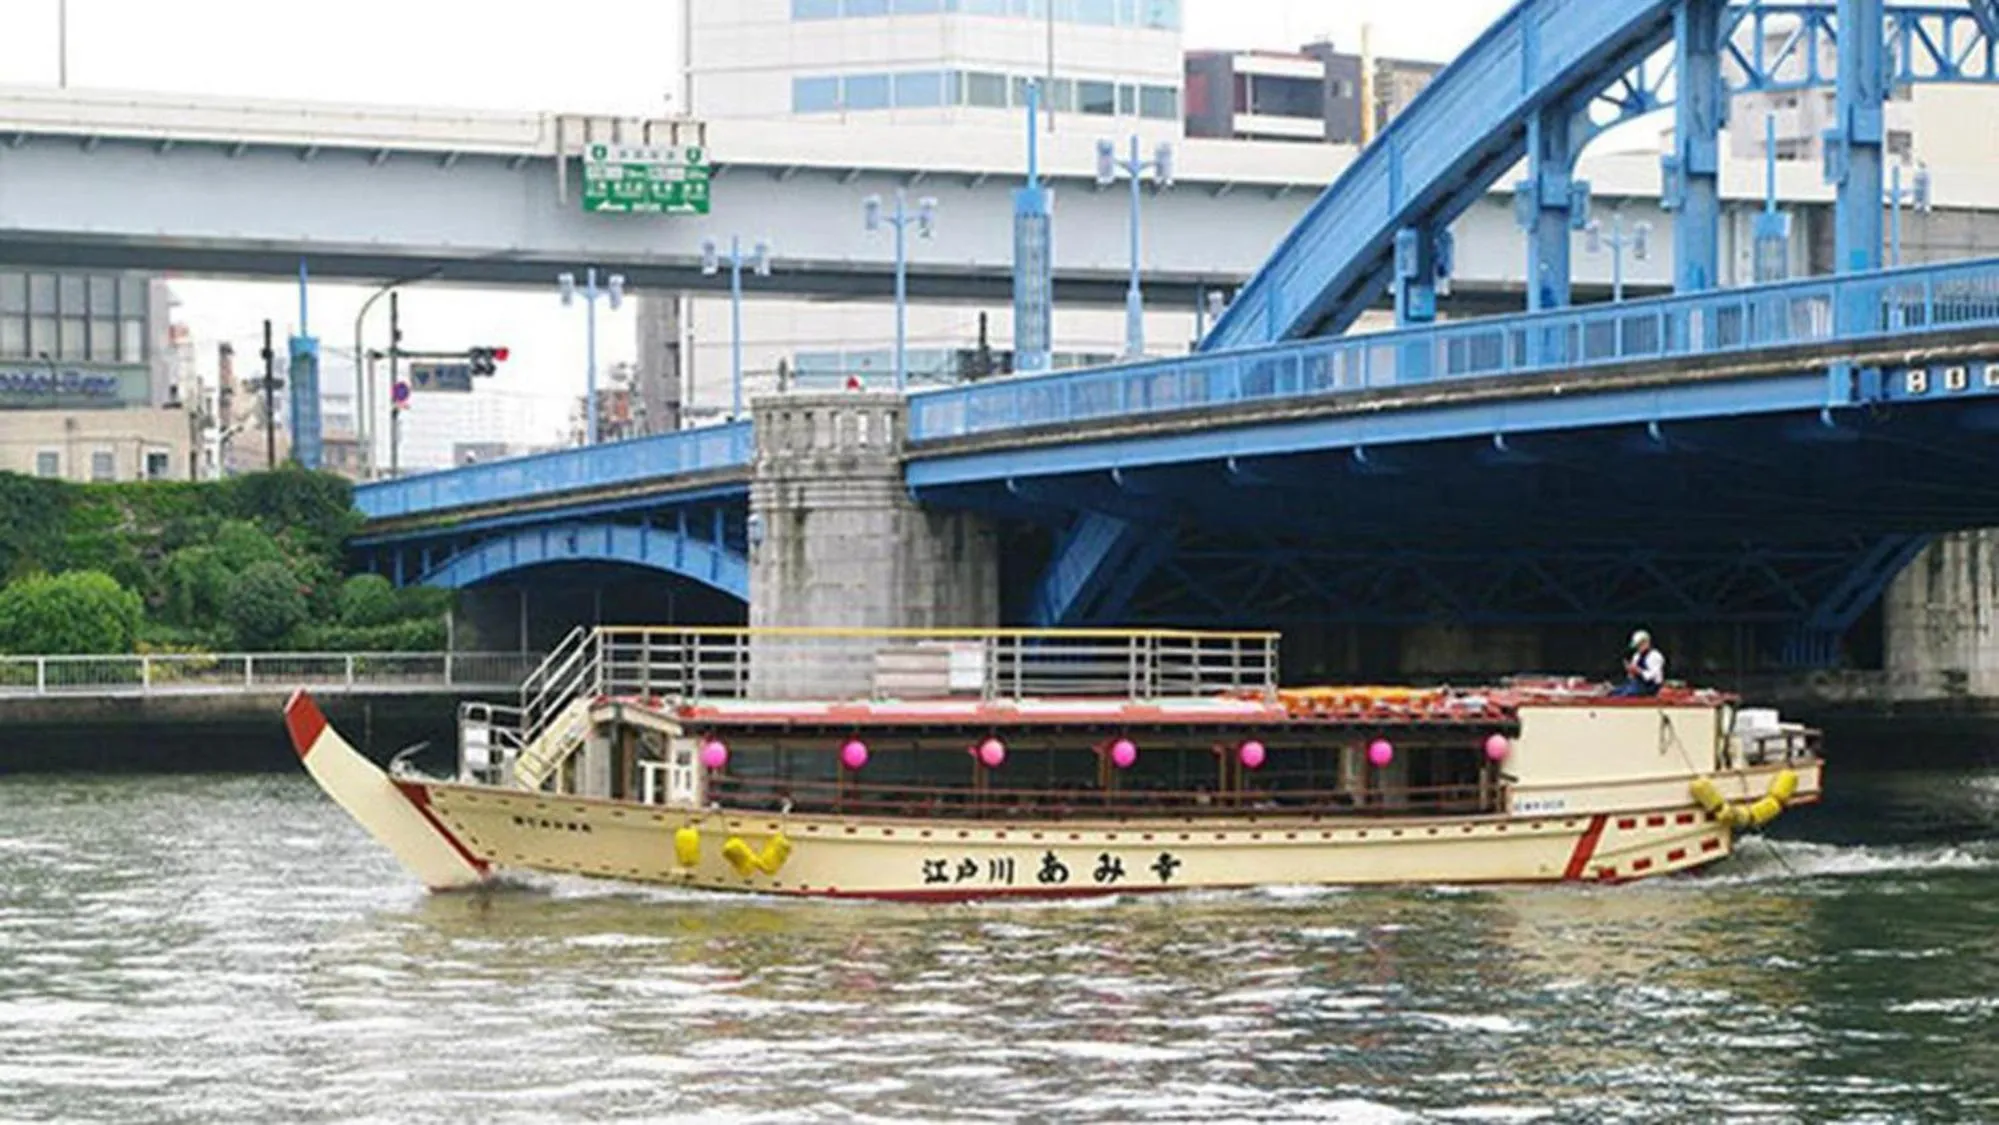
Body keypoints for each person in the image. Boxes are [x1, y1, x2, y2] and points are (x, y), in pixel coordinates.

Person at [1612, 629, 1665, 697]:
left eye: (1640, 645)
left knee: (1627, 694)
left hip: (1651, 687)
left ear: (1647, 643)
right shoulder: (1636, 656)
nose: (1638, 647)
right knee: (1615, 692)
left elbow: (1652, 676)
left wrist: (1638, 671)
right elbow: (1632, 676)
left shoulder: (1655, 656)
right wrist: (1630, 670)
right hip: (1637, 684)